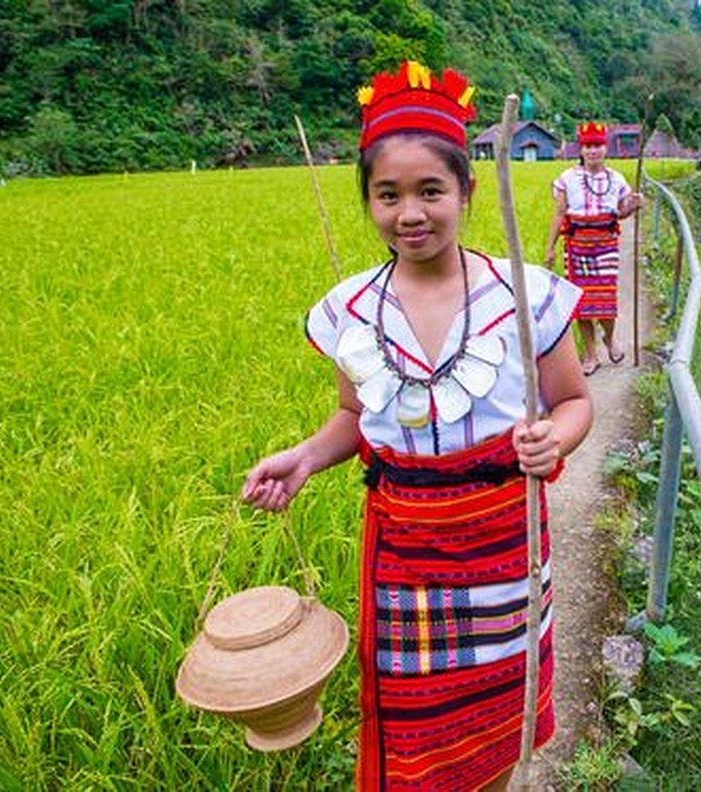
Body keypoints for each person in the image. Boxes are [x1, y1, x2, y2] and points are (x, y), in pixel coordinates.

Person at [240, 60, 592, 792]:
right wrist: (306, 458)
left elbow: (573, 401)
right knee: (415, 730)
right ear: (368, 199)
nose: (410, 213)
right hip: (405, 558)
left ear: (465, 190)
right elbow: (352, 417)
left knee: (498, 723)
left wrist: (553, 439)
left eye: (431, 190)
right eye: (388, 194)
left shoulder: (525, 293)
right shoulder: (349, 310)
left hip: (504, 546)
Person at [544, 122, 643, 376]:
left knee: (605, 299)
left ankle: (609, 339)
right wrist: (550, 247)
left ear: (605, 147)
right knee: (581, 303)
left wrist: (634, 205)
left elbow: (621, 214)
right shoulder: (567, 179)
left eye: (597, 145)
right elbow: (559, 214)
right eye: (587, 146)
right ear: (581, 149)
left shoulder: (617, 179)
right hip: (577, 245)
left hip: (606, 245)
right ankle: (590, 354)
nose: (592, 151)